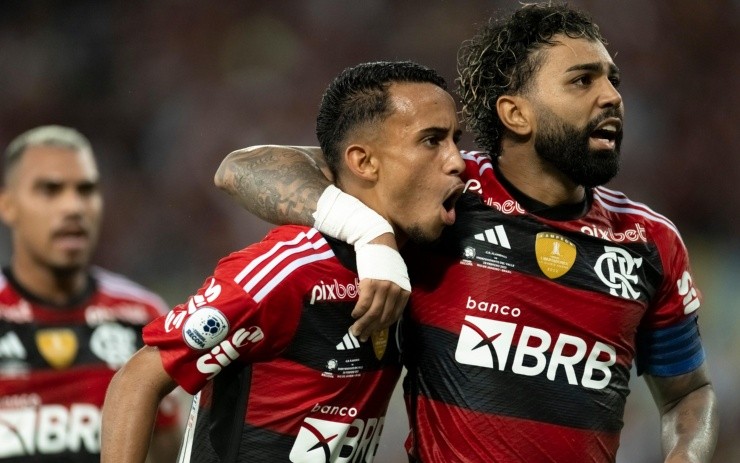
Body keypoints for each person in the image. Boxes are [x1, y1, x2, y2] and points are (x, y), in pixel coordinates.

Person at [213, 3, 719, 462]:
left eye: (613, 80)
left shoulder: (651, 241)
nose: (612, 97)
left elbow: (688, 393)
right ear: (515, 113)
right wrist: (370, 234)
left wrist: (687, 457)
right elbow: (243, 168)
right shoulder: (441, 195)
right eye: (582, 81)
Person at [100, 60, 464, 462]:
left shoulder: (416, 256)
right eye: (432, 140)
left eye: (456, 140)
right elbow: (136, 382)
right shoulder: (290, 270)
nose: (458, 161)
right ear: (363, 162)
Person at [0, 125, 182, 463]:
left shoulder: (141, 317)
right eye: (50, 190)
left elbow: (167, 453)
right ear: (7, 205)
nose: (73, 207)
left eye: (86, 190)